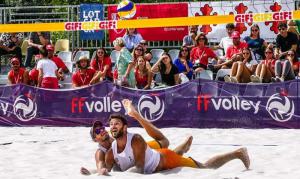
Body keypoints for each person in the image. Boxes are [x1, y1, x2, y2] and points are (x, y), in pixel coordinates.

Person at [105, 103, 250, 174]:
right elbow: (108, 168)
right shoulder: (112, 149)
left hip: (167, 159)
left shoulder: (135, 139)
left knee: (205, 167)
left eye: (116, 124)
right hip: (157, 155)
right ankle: (182, 148)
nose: (113, 126)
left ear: (125, 127)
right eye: (111, 124)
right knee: (162, 144)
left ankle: (238, 153)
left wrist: (135, 114)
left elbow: (140, 169)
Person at [80, 99, 193, 176]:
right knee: (166, 155)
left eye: (102, 128)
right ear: (95, 139)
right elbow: (102, 167)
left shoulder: (115, 134)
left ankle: (137, 116)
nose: (102, 130)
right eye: (98, 131)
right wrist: (91, 172)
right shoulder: (101, 152)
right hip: (132, 158)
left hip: (135, 149)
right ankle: (182, 149)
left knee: (164, 143)